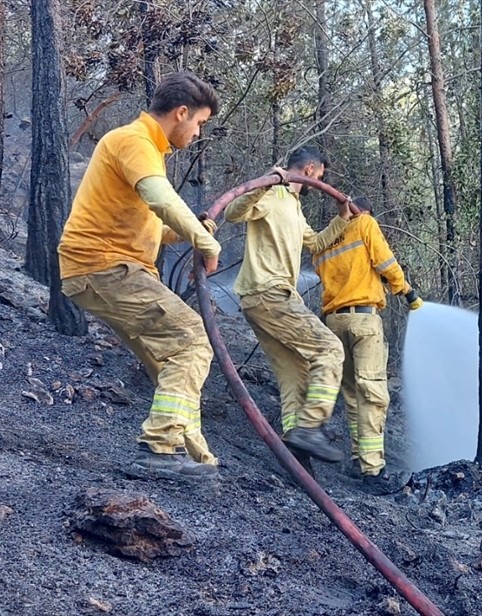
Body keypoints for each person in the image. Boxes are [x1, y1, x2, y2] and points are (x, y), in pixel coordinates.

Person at [58, 72, 223, 481]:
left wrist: (189, 229)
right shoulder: (135, 141)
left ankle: (195, 458)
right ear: (181, 113)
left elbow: (152, 224)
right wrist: (204, 241)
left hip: (106, 268)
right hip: (104, 266)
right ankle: (160, 449)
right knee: (192, 339)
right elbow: (161, 199)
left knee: (173, 359)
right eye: (200, 122)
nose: (199, 131)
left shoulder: (145, 150)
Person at [224, 146, 354, 464]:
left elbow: (316, 242)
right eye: (320, 176)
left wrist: (342, 219)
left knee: (295, 374)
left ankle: (296, 459)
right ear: (310, 170)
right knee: (329, 349)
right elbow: (231, 213)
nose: (319, 182)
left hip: (269, 299)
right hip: (268, 294)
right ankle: (309, 429)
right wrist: (267, 182)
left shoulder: (295, 208)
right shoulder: (272, 194)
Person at [311, 197, 423, 494]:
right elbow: (385, 261)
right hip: (363, 320)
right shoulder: (365, 223)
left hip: (333, 323)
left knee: (350, 392)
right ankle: (373, 470)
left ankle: (359, 459)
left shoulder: (325, 242)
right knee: (372, 392)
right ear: (364, 212)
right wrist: (405, 290)